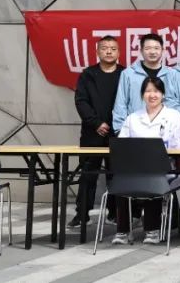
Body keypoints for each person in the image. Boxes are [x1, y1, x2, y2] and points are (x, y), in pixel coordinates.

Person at [113, 77, 180, 245]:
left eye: (156, 91)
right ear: (142, 95)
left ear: (163, 94)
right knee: (121, 179)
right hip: (136, 168)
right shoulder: (133, 118)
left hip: (164, 168)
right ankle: (123, 231)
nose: (152, 95)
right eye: (148, 91)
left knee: (153, 178)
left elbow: (178, 146)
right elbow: (122, 144)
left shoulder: (174, 116)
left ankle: (152, 230)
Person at [70, 36, 123, 228]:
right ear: (97, 51)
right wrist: (96, 123)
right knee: (88, 174)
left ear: (119, 52)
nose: (109, 51)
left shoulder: (125, 74)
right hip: (92, 133)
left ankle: (114, 213)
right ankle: (82, 214)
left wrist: (118, 125)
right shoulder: (88, 74)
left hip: (117, 132)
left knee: (116, 174)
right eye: (104, 48)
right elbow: (81, 101)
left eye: (113, 48)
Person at [112, 33, 180, 132]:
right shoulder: (129, 74)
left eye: (156, 48)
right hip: (136, 129)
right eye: (148, 48)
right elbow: (121, 103)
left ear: (163, 50)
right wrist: (120, 130)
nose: (152, 52)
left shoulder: (172, 74)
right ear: (141, 51)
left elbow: (178, 102)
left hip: (166, 130)